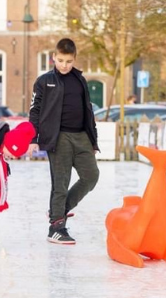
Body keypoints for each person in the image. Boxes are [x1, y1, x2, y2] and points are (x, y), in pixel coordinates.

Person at [27, 38, 100, 245]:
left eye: (68, 61)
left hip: (82, 137)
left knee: (91, 176)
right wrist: (33, 138)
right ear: (53, 58)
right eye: (60, 60)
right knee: (60, 183)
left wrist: (92, 141)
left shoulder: (80, 80)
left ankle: (59, 210)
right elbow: (35, 111)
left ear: (74, 59)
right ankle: (56, 227)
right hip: (58, 138)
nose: (64, 65)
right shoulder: (44, 81)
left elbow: (88, 111)